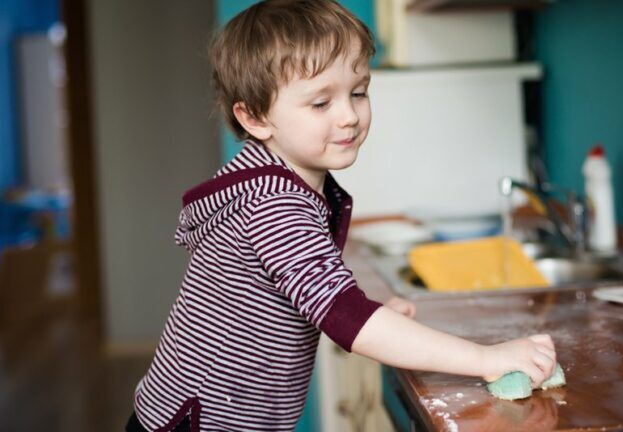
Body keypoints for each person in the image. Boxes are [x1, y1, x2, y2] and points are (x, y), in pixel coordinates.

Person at [126, 1, 556, 431]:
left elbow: (315, 292)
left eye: (358, 92)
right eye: (320, 103)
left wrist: (372, 315)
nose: (349, 115)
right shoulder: (273, 204)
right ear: (254, 117)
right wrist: (487, 358)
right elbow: (342, 314)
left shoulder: (276, 184)